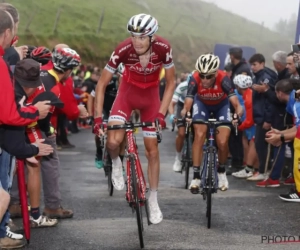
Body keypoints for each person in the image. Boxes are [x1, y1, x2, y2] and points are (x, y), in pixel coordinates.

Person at [93, 13, 175, 224]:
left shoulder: (163, 48)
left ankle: (154, 198)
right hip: (127, 95)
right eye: (133, 36)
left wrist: (161, 114)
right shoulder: (123, 49)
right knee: (112, 142)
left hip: (151, 98)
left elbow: (171, 82)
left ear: (152, 37)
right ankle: (116, 164)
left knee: (152, 151)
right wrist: (97, 119)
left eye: (142, 37)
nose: (136, 42)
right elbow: (101, 84)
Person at [182, 54, 243, 193]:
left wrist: (237, 114)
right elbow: (188, 103)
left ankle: (221, 171)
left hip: (221, 106)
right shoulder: (195, 78)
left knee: (222, 142)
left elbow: (236, 104)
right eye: (202, 75)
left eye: (208, 76)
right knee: (199, 134)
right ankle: (196, 176)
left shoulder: (224, 79)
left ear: (215, 73)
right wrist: (186, 113)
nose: (204, 80)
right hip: (202, 104)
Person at [231, 75, 258, 179]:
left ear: (238, 86)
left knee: (252, 143)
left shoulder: (248, 97)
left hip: (251, 124)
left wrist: (241, 127)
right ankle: (255, 169)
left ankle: (249, 169)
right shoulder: (248, 94)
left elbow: (250, 119)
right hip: (250, 123)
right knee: (251, 142)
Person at [168, 76, 189, 172]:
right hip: (182, 105)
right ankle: (178, 158)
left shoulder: (200, 86)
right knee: (181, 133)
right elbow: (172, 103)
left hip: (194, 106)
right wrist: (172, 115)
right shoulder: (182, 86)